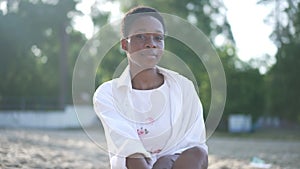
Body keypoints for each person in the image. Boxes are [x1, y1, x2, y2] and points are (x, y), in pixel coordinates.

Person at [93, 6, 208, 169]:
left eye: (158, 38)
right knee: (132, 157)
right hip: (133, 165)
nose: (150, 44)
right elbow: (126, 144)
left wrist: (167, 161)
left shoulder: (184, 88)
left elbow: (193, 143)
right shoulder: (107, 93)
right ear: (125, 44)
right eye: (140, 36)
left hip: (174, 165)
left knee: (198, 153)